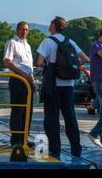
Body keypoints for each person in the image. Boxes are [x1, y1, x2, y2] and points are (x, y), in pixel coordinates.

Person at [37, 16, 89, 158]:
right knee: (70, 118)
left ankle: (55, 150)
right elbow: (85, 59)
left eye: (50, 23)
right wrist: (71, 67)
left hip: (53, 85)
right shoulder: (70, 41)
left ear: (53, 26)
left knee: (52, 119)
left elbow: (40, 62)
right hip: (69, 85)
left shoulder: (48, 41)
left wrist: (49, 66)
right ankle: (76, 150)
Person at [4, 21, 37, 147]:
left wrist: (32, 81)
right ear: (17, 30)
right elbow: (7, 62)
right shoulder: (11, 43)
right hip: (17, 80)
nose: (24, 32)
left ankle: (24, 139)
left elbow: (29, 66)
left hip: (28, 81)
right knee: (18, 111)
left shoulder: (27, 45)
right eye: (22, 29)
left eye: (27, 29)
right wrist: (22, 74)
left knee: (28, 111)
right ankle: (15, 140)